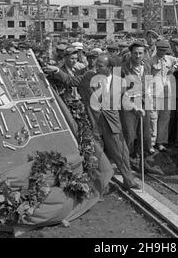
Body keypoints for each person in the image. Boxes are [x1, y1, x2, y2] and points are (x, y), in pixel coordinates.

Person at [43, 55, 140, 189]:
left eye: (100, 66)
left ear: (109, 68)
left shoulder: (120, 82)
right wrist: (56, 71)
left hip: (112, 122)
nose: (95, 68)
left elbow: (127, 99)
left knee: (121, 152)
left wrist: (136, 108)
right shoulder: (88, 76)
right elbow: (70, 80)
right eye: (96, 65)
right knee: (97, 155)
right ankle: (101, 184)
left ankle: (129, 180)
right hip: (93, 121)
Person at [120, 41, 164, 174]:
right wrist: (133, 106)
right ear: (130, 54)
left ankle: (142, 162)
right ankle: (125, 164)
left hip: (144, 102)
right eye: (135, 53)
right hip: (129, 103)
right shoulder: (122, 68)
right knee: (129, 134)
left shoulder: (147, 66)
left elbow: (149, 84)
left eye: (140, 53)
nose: (138, 56)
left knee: (145, 134)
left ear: (144, 53)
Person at [148, 40, 178, 152]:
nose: (162, 52)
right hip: (154, 93)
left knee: (165, 118)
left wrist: (175, 67)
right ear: (157, 49)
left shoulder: (169, 59)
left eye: (164, 50)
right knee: (153, 119)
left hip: (167, 93)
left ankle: (161, 142)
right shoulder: (150, 60)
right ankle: (151, 143)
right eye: (160, 50)